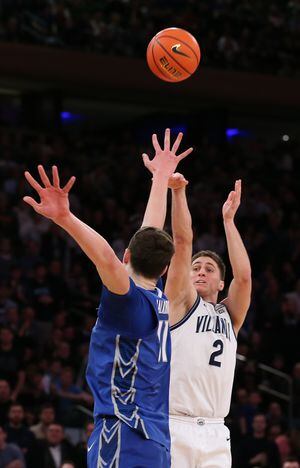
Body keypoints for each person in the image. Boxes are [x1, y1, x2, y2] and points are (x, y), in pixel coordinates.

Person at [23, 129, 192, 468]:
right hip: (157, 440)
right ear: (162, 270)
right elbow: (150, 231)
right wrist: (160, 178)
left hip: (123, 432)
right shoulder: (158, 298)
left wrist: (65, 218)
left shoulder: (127, 301)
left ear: (126, 256)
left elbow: (105, 257)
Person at [142, 159, 251, 467]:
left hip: (217, 431)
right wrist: (178, 192)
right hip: (176, 424)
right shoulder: (179, 302)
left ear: (220, 282)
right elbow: (182, 241)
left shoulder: (230, 316)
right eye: (196, 268)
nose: (200, 272)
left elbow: (244, 278)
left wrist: (229, 221)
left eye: (209, 269)